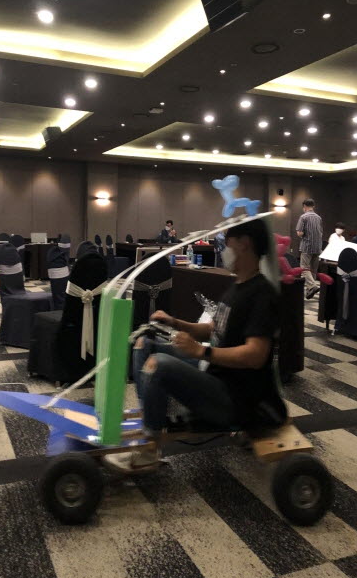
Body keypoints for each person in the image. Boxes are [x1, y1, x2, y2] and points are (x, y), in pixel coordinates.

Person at [103, 218, 286, 473]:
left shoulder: (262, 294)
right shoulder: (237, 287)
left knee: (159, 365)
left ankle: (148, 451)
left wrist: (201, 351)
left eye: (227, 243)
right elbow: (214, 329)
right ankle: (151, 422)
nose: (223, 249)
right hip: (216, 374)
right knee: (145, 344)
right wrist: (175, 322)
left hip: (238, 398)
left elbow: (256, 355)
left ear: (244, 244)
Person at [296, 198, 323, 300]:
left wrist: (302, 234)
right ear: (313, 206)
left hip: (307, 246)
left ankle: (312, 286)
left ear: (304, 206)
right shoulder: (319, 218)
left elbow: (300, 233)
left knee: (304, 268)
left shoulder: (303, 217)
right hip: (318, 247)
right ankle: (309, 291)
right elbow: (321, 233)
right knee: (313, 270)